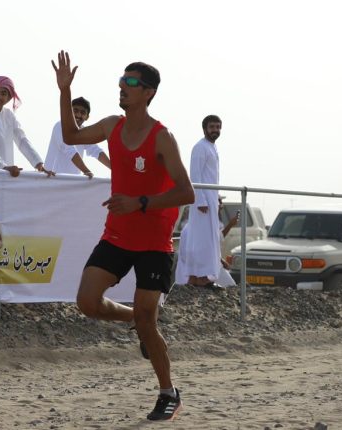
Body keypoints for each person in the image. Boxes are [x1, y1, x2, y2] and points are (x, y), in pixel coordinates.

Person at [52, 51, 194, 422]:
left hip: (154, 244)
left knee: (149, 323)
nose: (122, 87)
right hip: (117, 235)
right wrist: (65, 91)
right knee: (87, 302)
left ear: (148, 92)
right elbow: (70, 136)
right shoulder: (112, 125)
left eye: (130, 82)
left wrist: (140, 203)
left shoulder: (162, 137)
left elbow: (186, 193)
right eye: (121, 80)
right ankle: (136, 320)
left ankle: (169, 393)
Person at [0, 76, 53, 177]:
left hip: (3, 175)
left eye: (4, 93)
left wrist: (38, 164)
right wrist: (3, 167)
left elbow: (22, 140)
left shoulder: (9, 115)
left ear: (9, 97)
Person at [179, 115, 223, 287]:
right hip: (202, 203)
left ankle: (200, 277)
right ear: (205, 129)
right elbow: (195, 175)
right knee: (201, 240)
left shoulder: (212, 147)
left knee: (208, 240)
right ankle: (200, 277)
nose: (215, 130)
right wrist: (201, 201)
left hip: (210, 200)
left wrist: (216, 198)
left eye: (218, 127)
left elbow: (210, 176)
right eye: (212, 127)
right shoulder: (200, 147)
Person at [44, 96, 110, 178]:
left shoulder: (83, 131)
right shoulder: (60, 126)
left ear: (87, 117)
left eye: (83, 112)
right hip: (52, 180)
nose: (78, 115)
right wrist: (86, 171)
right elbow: (70, 150)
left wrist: (115, 169)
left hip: (72, 182)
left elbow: (96, 150)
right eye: (75, 111)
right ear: (69, 112)